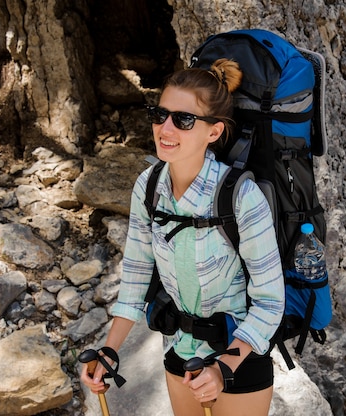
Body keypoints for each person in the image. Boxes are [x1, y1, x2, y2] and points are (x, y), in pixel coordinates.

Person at [80, 58, 285, 416]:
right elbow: (136, 279)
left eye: (184, 119)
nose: (166, 128)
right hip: (179, 353)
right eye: (160, 115)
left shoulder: (240, 196)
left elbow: (270, 303)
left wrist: (221, 370)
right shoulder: (149, 187)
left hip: (237, 362)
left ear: (214, 131)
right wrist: (109, 350)